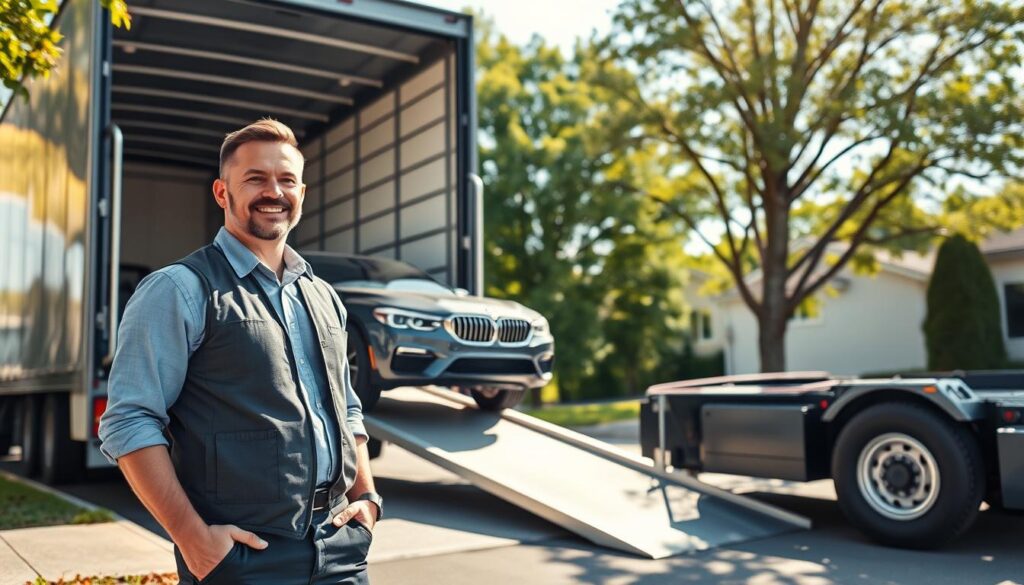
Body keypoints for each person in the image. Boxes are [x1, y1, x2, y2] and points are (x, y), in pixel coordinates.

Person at [98, 118, 382, 584]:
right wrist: (193, 539)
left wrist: (367, 497)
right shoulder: (179, 290)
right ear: (222, 193)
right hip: (242, 556)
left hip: (339, 547)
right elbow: (128, 421)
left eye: (286, 179)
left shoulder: (323, 296)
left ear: (302, 193)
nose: (274, 191)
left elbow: (347, 407)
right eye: (255, 178)